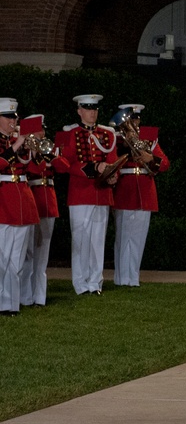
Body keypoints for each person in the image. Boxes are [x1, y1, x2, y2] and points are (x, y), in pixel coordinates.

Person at [59, 94, 119, 295]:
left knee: (97, 240)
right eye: (88, 108)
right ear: (79, 111)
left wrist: (113, 175)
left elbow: (112, 159)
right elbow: (65, 164)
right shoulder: (72, 134)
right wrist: (93, 167)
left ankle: (95, 283)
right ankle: (80, 283)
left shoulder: (107, 134)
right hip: (80, 193)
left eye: (94, 109)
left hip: (101, 194)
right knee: (81, 239)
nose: (92, 112)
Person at [110, 104, 170, 287]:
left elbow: (165, 163)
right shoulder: (117, 139)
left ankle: (133, 278)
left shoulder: (149, 139)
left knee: (138, 238)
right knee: (123, 237)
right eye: (130, 120)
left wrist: (150, 158)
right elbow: (113, 163)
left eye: (136, 120)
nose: (134, 124)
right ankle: (121, 278)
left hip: (145, 191)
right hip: (125, 190)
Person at [19, 114, 68, 307]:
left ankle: (39, 296)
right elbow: (32, 169)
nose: (42, 133)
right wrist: (36, 153)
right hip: (31, 198)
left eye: (43, 129)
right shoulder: (26, 150)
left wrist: (52, 155)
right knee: (28, 251)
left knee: (43, 252)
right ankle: (25, 296)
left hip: (48, 201)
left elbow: (64, 167)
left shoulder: (50, 147)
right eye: (39, 129)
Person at [0, 98, 41, 316]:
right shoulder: (8, 142)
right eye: (8, 117)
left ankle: (10, 304)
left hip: (23, 200)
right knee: (2, 258)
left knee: (16, 259)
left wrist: (33, 149)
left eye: (14, 117)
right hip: (3, 200)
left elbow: (34, 168)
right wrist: (17, 144)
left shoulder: (17, 140)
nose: (12, 121)